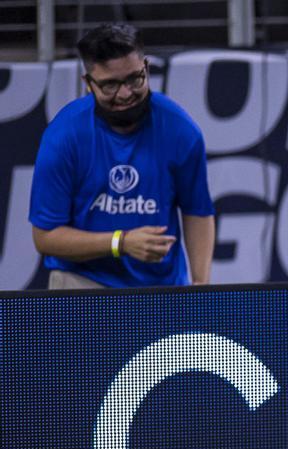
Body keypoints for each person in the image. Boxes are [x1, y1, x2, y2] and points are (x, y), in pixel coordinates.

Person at [29, 23, 214, 289]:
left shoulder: (181, 130)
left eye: (134, 79)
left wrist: (200, 283)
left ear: (146, 68)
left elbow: (197, 211)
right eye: (110, 85)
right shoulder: (63, 137)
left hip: (162, 284)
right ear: (89, 85)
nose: (126, 94)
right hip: (81, 281)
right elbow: (45, 237)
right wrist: (121, 243)